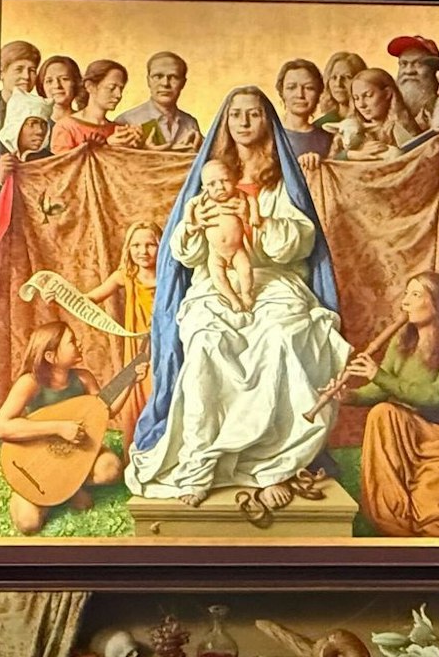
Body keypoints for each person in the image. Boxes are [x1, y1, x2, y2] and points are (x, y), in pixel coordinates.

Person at [126, 87, 350, 513]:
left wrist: (261, 222)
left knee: (284, 335)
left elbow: (300, 244)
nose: (245, 122)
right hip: (214, 280)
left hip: (273, 279)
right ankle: (200, 464)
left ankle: (273, 465)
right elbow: (185, 255)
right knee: (207, 342)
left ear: (268, 122)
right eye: (236, 115)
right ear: (225, 124)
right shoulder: (209, 176)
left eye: (254, 115)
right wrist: (194, 227)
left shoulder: (281, 180)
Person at [341, 272, 439, 538]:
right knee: (382, 413)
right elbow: (378, 390)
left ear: (437, 304)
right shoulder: (401, 343)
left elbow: (438, 396)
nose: (405, 303)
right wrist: (347, 396)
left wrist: (379, 375)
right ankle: (392, 515)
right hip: (414, 431)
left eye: (415, 295)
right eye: (406, 294)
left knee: (434, 514)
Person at [0, 320, 125, 535]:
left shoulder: (83, 378)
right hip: (38, 462)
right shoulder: (30, 382)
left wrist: (131, 380)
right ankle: (52, 492)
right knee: (28, 523)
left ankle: (66, 490)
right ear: (51, 356)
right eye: (72, 342)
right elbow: (0, 428)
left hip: (75, 456)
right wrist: (58, 428)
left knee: (111, 468)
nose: (78, 344)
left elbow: (104, 410)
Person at [82, 220, 160, 430]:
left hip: (165, 342)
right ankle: (138, 448)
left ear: (161, 245)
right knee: (139, 386)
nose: (143, 251)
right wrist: (59, 296)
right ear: (129, 248)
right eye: (136, 245)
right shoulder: (126, 276)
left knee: (161, 386)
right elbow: (89, 299)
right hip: (139, 346)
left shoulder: (169, 277)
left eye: (150, 245)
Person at [195, 159, 259, 312]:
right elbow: (191, 206)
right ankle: (233, 299)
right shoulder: (203, 200)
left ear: (234, 180)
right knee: (218, 276)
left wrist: (254, 215)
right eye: (212, 184)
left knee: (246, 270)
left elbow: (252, 200)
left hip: (237, 249)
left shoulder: (239, 195)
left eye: (225, 180)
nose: (220, 187)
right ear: (204, 188)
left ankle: (246, 294)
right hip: (216, 252)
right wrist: (196, 217)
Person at [114, 51, 202, 150]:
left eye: (174, 77)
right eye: (158, 76)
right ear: (148, 81)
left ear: (183, 83)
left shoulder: (190, 123)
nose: (165, 83)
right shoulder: (127, 121)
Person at [51, 58, 140, 153]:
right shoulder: (66, 127)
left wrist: (140, 146)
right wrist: (108, 146)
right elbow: (63, 165)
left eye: (121, 89)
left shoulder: (118, 130)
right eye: (112, 88)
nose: (118, 95)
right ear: (90, 86)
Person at [334, 67, 419, 159]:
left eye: (368, 96)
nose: (361, 105)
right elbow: (331, 162)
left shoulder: (400, 128)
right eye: (356, 98)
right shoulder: (350, 128)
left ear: (387, 94)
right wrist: (352, 155)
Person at [274, 58, 334, 160]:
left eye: (309, 88)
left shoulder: (328, 139)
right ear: (282, 93)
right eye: (291, 87)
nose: (300, 95)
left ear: (318, 93)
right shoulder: (270, 135)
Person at [387, 34, 439, 128]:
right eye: (403, 64)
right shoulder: (385, 104)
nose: (409, 71)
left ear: (434, 68)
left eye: (418, 64)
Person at [0, 39, 43, 135]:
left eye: (32, 70)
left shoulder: (40, 110)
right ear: (1, 73)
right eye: (19, 69)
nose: (26, 76)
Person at [315, 50, 366, 129]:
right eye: (334, 77)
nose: (338, 84)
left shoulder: (372, 120)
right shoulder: (320, 125)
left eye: (347, 77)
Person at [38, 55, 83, 127]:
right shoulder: (36, 124)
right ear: (42, 87)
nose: (57, 85)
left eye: (64, 79)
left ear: (76, 82)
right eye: (49, 81)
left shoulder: (86, 122)